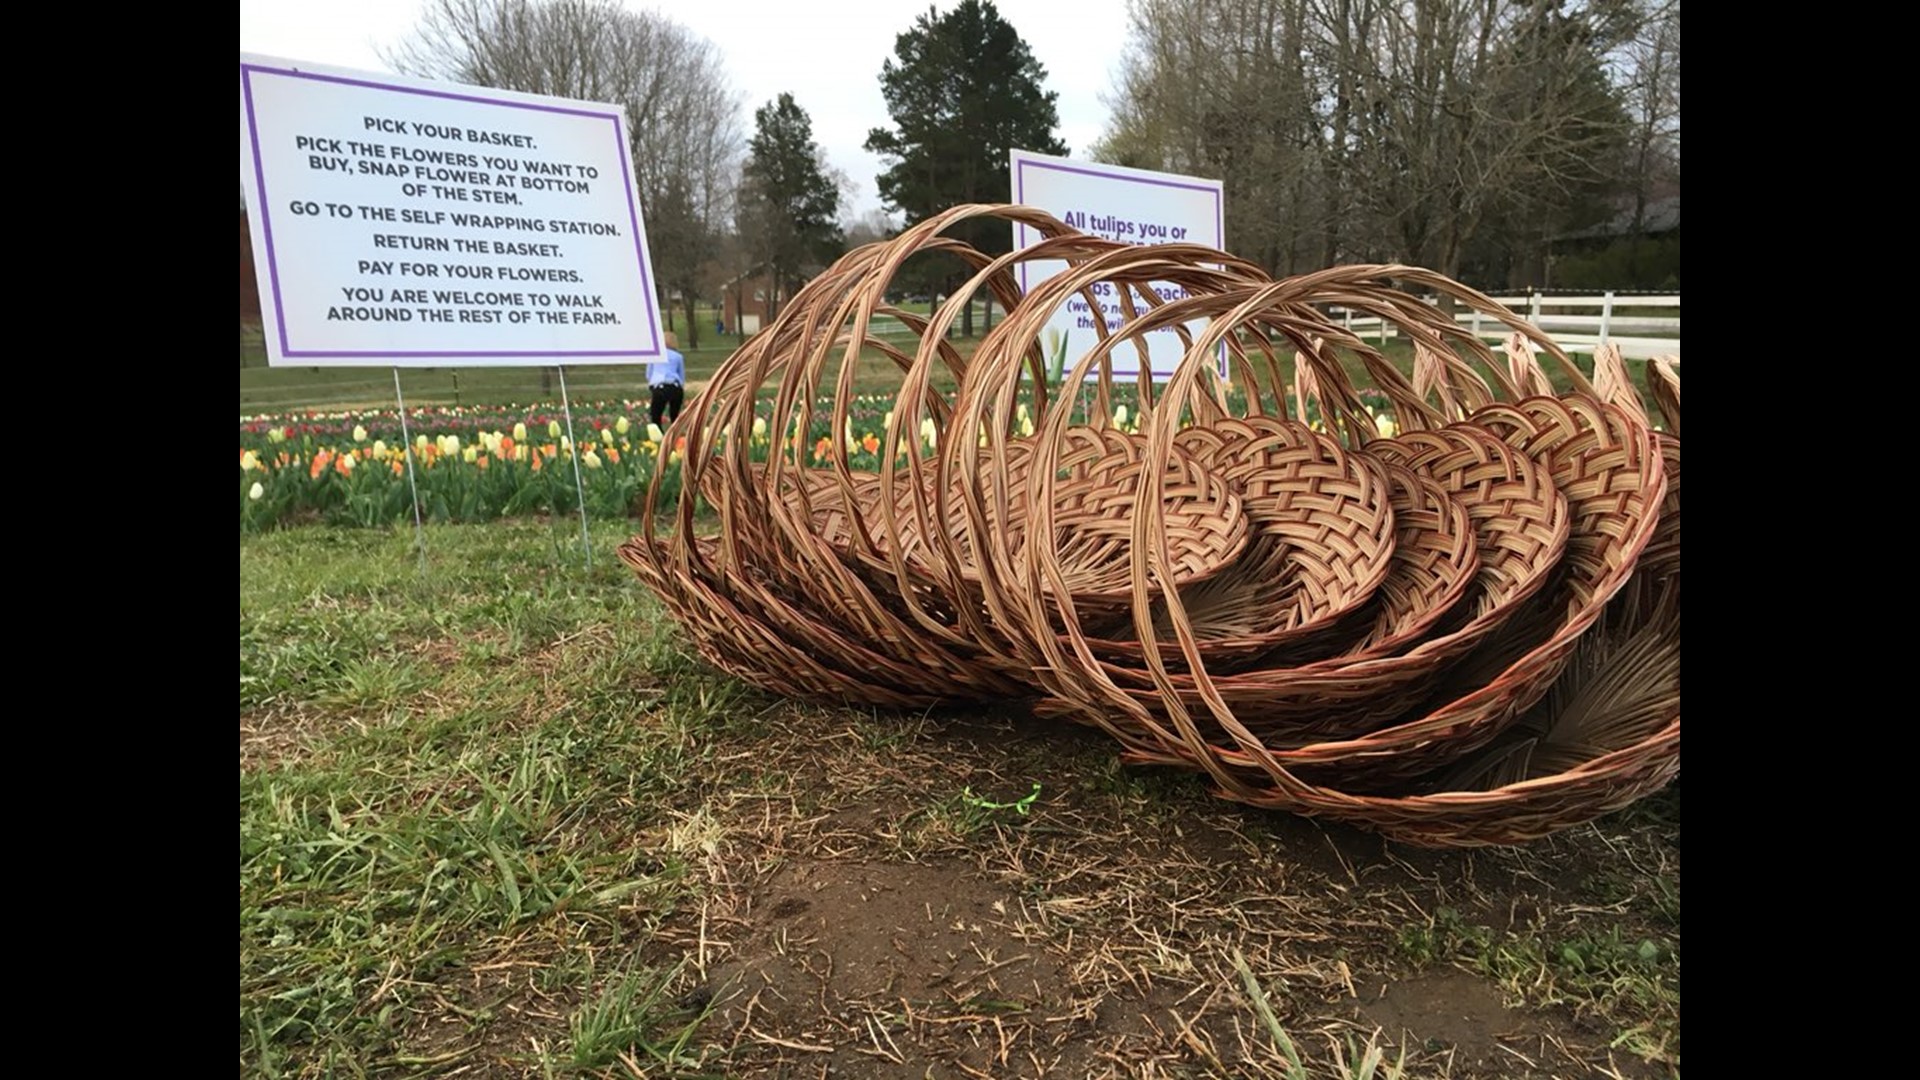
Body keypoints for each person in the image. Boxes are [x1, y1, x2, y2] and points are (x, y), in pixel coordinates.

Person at [648, 330, 686, 428]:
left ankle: (659, 438)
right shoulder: (678, 357)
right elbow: (681, 375)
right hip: (675, 386)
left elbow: (649, 374)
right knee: (675, 416)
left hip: (659, 387)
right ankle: (675, 437)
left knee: (656, 416)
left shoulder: (654, 356)